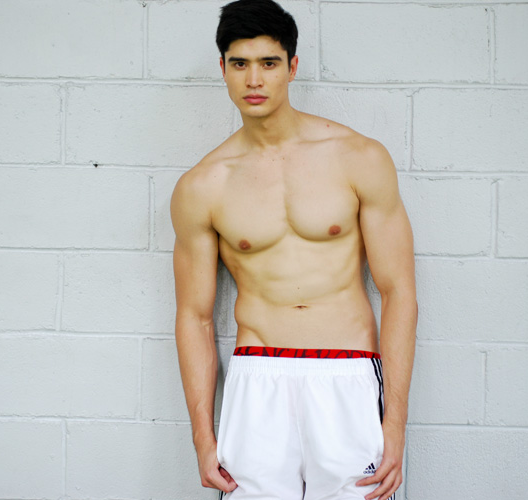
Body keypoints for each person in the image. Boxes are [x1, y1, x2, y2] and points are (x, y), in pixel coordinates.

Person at [170, 1, 417, 499]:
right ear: (223, 69)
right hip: (258, 377)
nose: (254, 79)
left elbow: (399, 292)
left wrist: (395, 423)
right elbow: (194, 317)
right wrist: (202, 436)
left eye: (269, 63)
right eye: (240, 64)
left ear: (292, 66)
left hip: (347, 373)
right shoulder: (203, 185)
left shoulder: (358, 157)